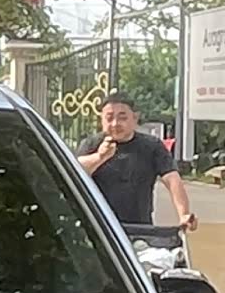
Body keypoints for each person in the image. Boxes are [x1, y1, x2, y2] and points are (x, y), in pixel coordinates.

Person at [80, 94, 196, 233]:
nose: (115, 124)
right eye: (109, 118)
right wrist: (100, 157)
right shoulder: (91, 145)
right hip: (98, 227)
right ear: (101, 120)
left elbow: (172, 179)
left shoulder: (151, 146)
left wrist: (184, 213)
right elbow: (75, 171)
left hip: (140, 229)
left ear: (135, 118)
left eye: (122, 118)